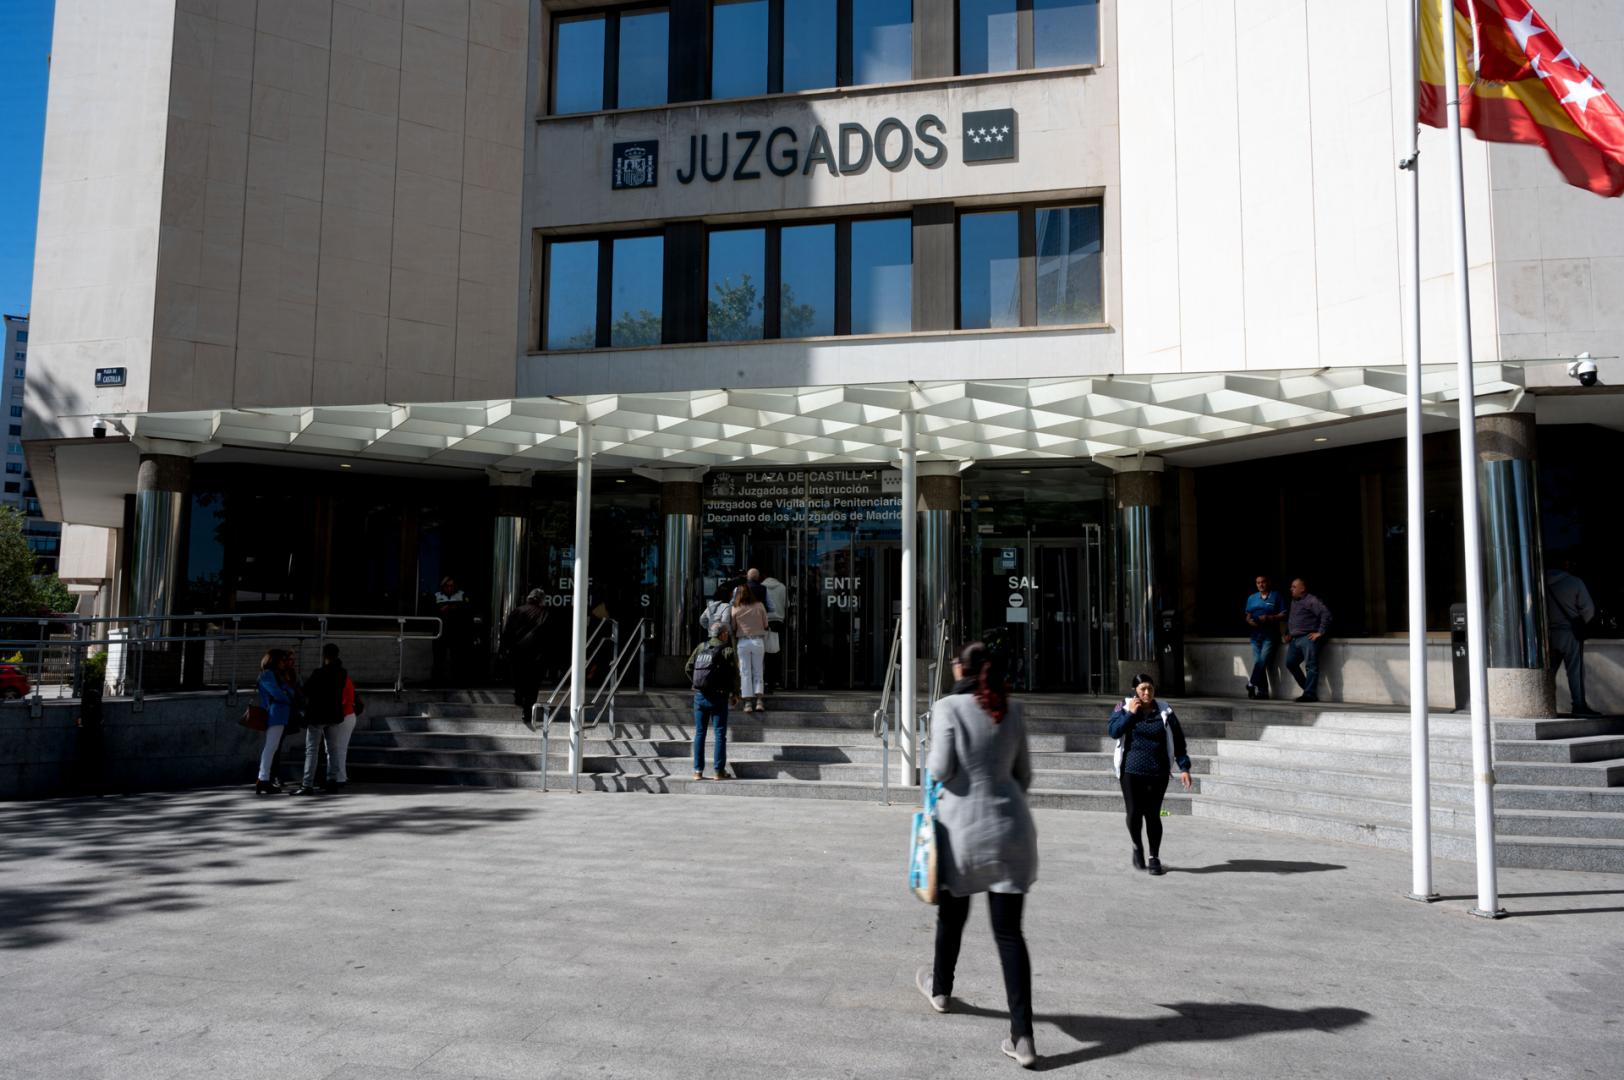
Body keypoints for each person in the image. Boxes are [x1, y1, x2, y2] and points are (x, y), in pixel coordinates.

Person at [915, 642, 1039, 1069]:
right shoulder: (1013, 709)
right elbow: (1024, 775)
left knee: (952, 916)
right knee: (1009, 935)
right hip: (1012, 833)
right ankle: (1022, 1036)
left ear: (963, 668)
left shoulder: (948, 707)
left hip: (962, 832)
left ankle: (941, 989)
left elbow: (938, 769)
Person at [1109, 673, 1193, 876]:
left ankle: (1154, 857)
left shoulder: (1165, 710)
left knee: (1153, 814)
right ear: (1134, 691)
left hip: (1158, 772)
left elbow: (1179, 740)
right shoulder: (1123, 705)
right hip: (1130, 771)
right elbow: (1113, 731)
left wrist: (1184, 767)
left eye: (1150, 689)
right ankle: (1137, 846)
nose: (1147, 693)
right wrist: (1130, 714)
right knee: (1134, 813)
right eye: (1142, 689)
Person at [685, 622, 740, 781]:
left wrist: (698, 683)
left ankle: (697, 771)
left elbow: (688, 667)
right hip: (719, 697)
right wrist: (735, 694)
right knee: (719, 734)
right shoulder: (728, 650)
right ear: (722, 634)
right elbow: (734, 675)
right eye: (726, 634)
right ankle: (718, 771)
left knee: (700, 733)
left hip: (700, 696)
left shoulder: (701, 648)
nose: (727, 636)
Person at [299, 643, 355, 795]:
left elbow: (306, 690)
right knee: (333, 750)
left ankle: (307, 784)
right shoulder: (342, 673)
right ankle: (332, 781)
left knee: (312, 750)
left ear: (324, 655)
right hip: (334, 715)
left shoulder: (319, 672)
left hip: (317, 715)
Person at [1546, 558, 1599, 718]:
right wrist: (1581, 622)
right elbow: (1589, 609)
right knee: (1574, 671)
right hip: (1570, 633)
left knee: (1549, 673)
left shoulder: (1540, 582)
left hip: (1549, 634)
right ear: (1565, 565)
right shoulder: (1574, 582)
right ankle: (1579, 705)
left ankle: (1548, 705)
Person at [500, 588, 550, 726]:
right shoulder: (543, 613)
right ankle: (527, 712)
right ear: (541, 600)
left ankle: (519, 696)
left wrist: (503, 650)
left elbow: (507, 631)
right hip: (536, 655)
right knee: (532, 684)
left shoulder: (517, 612)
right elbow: (547, 636)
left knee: (519, 678)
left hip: (517, 652)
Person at [254, 649, 297, 795]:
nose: (284, 663)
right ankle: (263, 779)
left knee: (272, 747)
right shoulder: (267, 675)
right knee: (271, 747)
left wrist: (287, 693)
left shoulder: (274, 675)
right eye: (281, 660)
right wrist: (287, 695)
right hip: (275, 714)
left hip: (279, 714)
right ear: (274, 661)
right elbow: (279, 693)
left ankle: (264, 779)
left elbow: (288, 691)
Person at [1283, 577, 1332, 703]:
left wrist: (1320, 632)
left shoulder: (1311, 600)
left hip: (1307, 638)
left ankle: (1309, 694)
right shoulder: (1294, 601)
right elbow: (1293, 619)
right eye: (1291, 586)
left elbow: (1326, 614)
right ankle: (1307, 689)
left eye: (1294, 587)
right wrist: (1288, 633)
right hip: (1295, 640)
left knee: (1311, 666)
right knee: (1290, 663)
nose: (1291, 589)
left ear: (1302, 588)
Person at [1244, 574, 1287, 699]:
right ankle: (1262, 692)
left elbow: (1284, 614)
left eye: (1263, 582)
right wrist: (1249, 621)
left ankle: (1251, 683)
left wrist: (1270, 618)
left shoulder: (1276, 596)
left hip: (1270, 635)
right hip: (1255, 635)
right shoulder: (1252, 598)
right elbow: (1248, 614)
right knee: (1259, 663)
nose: (1260, 585)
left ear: (1268, 582)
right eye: (1258, 583)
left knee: (1262, 661)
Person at [730, 584, 769, 713]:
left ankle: (747, 703)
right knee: (758, 671)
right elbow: (765, 624)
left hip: (743, 642)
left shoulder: (735, 608)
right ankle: (759, 701)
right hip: (757, 641)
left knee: (745, 672)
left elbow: (733, 627)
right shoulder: (760, 606)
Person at [433, 576, 470, 684]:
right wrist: (442, 609)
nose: (450, 588)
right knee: (438, 658)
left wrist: (456, 608)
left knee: (458, 658)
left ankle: (458, 681)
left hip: (456, 632)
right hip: (440, 632)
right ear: (443, 587)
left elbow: (468, 610)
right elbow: (430, 611)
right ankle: (437, 681)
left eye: (452, 586)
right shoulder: (437, 596)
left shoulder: (461, 595)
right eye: (447, 586)